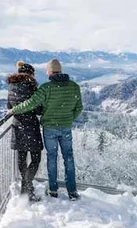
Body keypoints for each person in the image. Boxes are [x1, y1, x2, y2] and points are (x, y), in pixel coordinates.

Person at [7, 58, 83, 201]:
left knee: (52, 158)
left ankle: (53, 190)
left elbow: (31, 104)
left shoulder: (46, 88)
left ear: (50, 71)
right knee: (69, 158)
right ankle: (72, 191)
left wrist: (14, 110)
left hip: (49, 128)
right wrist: (68, 118)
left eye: (47, 70)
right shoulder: (74, 86)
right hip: (65, 128)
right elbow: (79, 108)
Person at [7, 61, 44, 202]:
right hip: (31, 127)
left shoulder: (11, 88)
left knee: (22, 160)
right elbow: (39, 109)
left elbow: (9, 106)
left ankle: (26, 188)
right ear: (30, 74)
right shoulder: (33, 88)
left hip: (18, 127)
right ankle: (26, 188)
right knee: (36, 159)